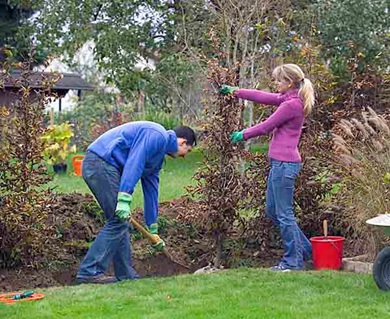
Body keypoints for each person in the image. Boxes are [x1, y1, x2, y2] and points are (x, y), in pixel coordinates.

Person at [220, 63, 315, 272]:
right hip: (279, 164)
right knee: (273, 211)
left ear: (289, 83)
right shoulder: (288, 99)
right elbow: (262, 96)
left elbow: (266, 126)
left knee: (284, 213)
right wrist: (236, 92)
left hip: (285, 165)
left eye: (278, 80)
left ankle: (293, 262)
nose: (275, 84)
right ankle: (306, 251)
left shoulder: (292, 105)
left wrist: (242, 135)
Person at [76, 121, 196, 284]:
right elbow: (135, 161)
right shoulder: (157, 135)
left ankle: (125, 275)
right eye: (187, 150)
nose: (184, 156)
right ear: (182, 142)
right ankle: (89, 272)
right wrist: (124, 198)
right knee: (118, 221)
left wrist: (152, 227)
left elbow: (151, 190)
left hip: (106, 166)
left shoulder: (157, 157)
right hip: (100, 162)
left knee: (121, 221)